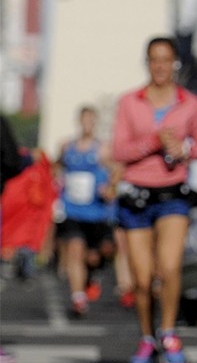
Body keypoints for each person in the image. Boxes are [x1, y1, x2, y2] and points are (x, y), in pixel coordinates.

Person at [110, 37, 197, 363]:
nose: (160, 66)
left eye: (166, 59)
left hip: (172, 194)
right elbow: (119, 151)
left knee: (168, 267)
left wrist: (184, 149)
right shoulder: (129, 102)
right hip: (136, 193)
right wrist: (153, 141)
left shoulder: (190, 103)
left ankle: (168, 332)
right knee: (141, 279)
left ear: (175, 63)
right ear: (147, 63)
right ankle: (146, 336)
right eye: (154, 60)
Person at [55, 105, 117, 318]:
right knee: (74, 250)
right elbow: (57, 169)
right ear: (79, 122)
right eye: (84, 120)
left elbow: (116, 171)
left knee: (94, 256)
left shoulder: (102, 149)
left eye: (91, 121)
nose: (87, 125)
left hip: (96, 213)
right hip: (73, 210)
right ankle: (78, 297)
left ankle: (92, 275)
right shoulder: (67, 147)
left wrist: (109, 189)